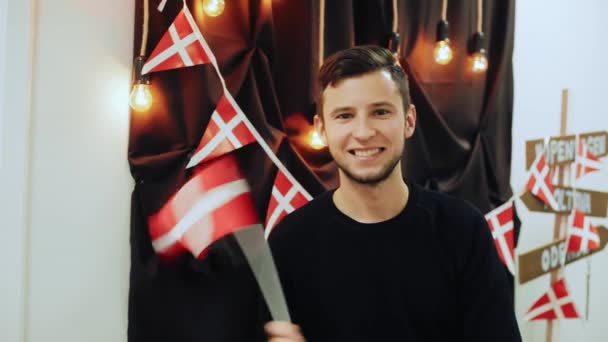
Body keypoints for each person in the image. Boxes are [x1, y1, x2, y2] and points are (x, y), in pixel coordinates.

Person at [263, 46, 521, 341]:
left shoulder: (462, 230)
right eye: (345, 116)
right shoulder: (290, 241)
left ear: (409, 120)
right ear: (322, 129)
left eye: (380, 112)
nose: (363, 132)